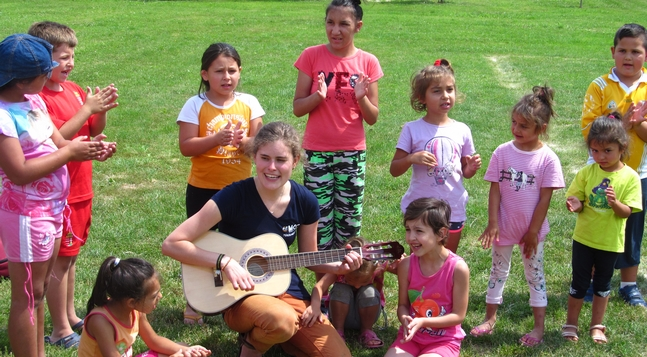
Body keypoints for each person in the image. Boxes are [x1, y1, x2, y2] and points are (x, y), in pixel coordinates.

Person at [162, 122, 361, 357]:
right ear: (254, 156)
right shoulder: (233, 196)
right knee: (282, 320)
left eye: (281, 160)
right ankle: (252, 347)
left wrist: (340, 266)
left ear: (295, 161)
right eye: (265, 158)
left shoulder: (306, 200)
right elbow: (172, 244)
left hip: (287, 290)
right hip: (238, 296)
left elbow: (310, 258)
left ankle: (279, 336)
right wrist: (224, 262)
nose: (272, 167)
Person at [0, 33, 108, 357]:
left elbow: (58, 142)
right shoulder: (4, 116)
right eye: (43, 71)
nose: (49, 75)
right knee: (27, 295)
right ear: (21, 81)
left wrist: (87, 150)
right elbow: (18, 171)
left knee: (40, 288)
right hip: (26, 215)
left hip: (51, 208)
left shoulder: (31, 100)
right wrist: (69, 153)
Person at [28, 21, 119, 349]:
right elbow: (57, 139)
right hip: (58, 193)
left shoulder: (75, 90)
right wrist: (87, 109)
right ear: (41, 60)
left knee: (72, 255)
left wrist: (101, 113)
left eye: (72, 56)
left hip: (82, 187)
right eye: (62, 57)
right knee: (60, 262)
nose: (70, 63)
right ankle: (59, 330)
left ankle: (69, 313)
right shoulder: (38, 100)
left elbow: (91, 130)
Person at [176, 42, 264, 325]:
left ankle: (235, 300)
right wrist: (216, 139)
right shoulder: (195, 105)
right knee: (199, 244)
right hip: (203, 188)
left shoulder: (249, 103)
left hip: (241, 190)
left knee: (239, 244)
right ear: (204, 74)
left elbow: (259, 145)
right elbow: (186, 146)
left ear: (240, 72)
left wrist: (243, 143)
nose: (226, 77)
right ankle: (194, 301)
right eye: (219, 71)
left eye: (232, 70)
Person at [470, 86, 565, 347]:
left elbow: (545, 198)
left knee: (535, 275)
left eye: (524, 125)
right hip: (504, 228)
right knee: (497, 272)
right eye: (514, 122)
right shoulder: (502, 152)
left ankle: (538, 327)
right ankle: (489, 319)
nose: (516, 129)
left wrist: (533, 232)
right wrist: (492, 223)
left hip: (531, 232)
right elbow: (495, 189)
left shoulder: (547, 159)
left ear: (541, 128)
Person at [292, 0, 383, 252]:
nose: (335, 30)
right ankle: (322, 283)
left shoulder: (368, 62)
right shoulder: (311, 56)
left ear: (358, 26)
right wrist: (317, 97)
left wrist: (361, 97)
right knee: (318, 223)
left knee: (349, 225)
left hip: (352, 153)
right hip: (317, 152)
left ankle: (344, 283)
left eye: (344, 24)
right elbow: (298, 108)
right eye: (330, 22)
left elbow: (373, 117)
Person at [580, 23, 647, 307]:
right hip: (602, 171)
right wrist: (621, 120)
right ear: (613, 51)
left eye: (636, 51)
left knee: (632, 227)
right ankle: (594, 281)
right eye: (622, 50)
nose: (628, 57)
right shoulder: (600, 85)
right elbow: (589, 131)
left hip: (638, 174)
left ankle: (629, 285)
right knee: (600, 224)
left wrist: (637, 124)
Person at [563, 114, 642, 344]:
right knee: (578, 283)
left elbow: (628, 212)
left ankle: (596, 325)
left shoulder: (630, 177)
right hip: (584, 239)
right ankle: (571, 324)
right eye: (595, 151)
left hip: (610, 242)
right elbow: (575, 198)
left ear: (622, 147)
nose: (600, 156)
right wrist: (575, 204)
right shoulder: (587, 173)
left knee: (603, 285)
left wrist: (615, 203)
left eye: (607, 150)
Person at [390, 60, 481, 253]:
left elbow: (464, 172)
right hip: (420, 208)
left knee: (447, 259)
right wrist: (411, 158)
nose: (445, 96)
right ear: (422, 97)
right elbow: (394, 169)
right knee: (421, 259)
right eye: (437, 91)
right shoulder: (412, 129)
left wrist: (470, 168)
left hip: (452, 207)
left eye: (450, 89)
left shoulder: (462, 130)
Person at [384, 198, 469, 357]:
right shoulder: (406, 266)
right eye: (408, 229)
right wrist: (404, 318)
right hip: (411, 338)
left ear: (441, 233)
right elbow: (403, 305)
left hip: (444, 341)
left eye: (419, 231)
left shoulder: (457, 269)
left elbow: (458, 316)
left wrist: (423, 321)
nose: (410, 237)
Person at [78, 256, 212, 357]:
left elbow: (153, 341)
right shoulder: (101, 321)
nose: (160, 297)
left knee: (181, 348)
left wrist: (186, 350)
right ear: (132, 302)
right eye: (154, 296)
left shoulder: (135, 309)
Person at [302, 236, 401, 349]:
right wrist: (315, 306)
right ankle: (339, 331)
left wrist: (401, 262)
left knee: (369, 291)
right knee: (341, 289)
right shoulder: (341, 267)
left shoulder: (377, 265)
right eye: (351, 280)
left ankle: (366, 331)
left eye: (363, 282)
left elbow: (406, 271)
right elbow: (319, 287)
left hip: (367, 316)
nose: (357, 286)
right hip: (341, 316)